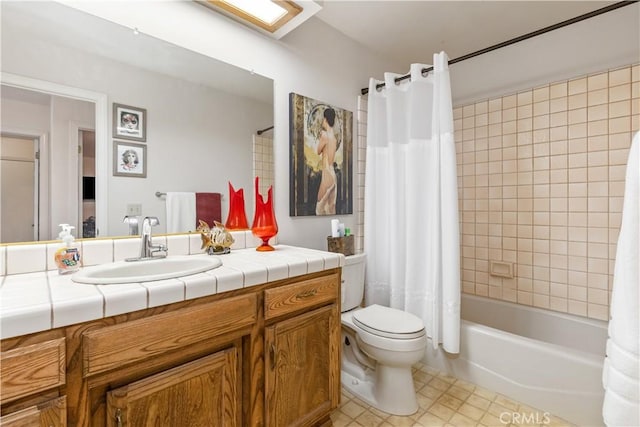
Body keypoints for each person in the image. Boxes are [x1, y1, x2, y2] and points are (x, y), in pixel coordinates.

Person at [315, 107, 338, 215]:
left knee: (319, 208)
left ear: (325, 119)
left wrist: (320, 137)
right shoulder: (334, 139)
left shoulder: (325, 135)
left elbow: (318, 151)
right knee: (331, 209)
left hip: (327, 174)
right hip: (332, 174)